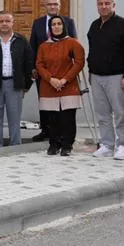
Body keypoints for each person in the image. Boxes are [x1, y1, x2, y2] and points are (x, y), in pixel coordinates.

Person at [88, 0, 124, 160]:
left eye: (107, 3)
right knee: (102, 113)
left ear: (113, 5)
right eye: (100, 3)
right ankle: (107, 144)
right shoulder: (95, 25)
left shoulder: (123, 25)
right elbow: (92, 50)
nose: (103, 6)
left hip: (117, 76)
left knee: (120, 112)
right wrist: (90, 71)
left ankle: (122, 145)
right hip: (96, 76)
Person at [29, 0, 78, 143]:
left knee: (64, 103)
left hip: (63, 71)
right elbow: (33, 46)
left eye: (55, 4)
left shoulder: (68, 22)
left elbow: (74, 44)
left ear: (59, 6)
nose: (52, 7)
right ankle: (46, 130)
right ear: (45, 6)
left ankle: (63, 133)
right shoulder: (37, 23)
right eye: (50, 4)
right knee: (45, 101)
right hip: (43, 71)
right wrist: (33, 67)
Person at [0, 11, 33, 147]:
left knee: (14, 117)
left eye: (7, 21)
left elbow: (28, 64)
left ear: (12, 23)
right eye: (1, 21)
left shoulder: (21, 40)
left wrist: (26, 85)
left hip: (14, 84)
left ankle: (15, 145)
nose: (4, 24)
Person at [35, 15, 86, 156]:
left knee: (67, 118)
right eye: (53, 24)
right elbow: (39, 64)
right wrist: (51, 79)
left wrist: (64, 80)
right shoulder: (44, 46)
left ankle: (67, 145)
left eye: (59, 24)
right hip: (49, 86)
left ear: (64, 26)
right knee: (52, 118)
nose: (56, 26)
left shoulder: (73, 43)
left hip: (68, 86)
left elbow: (79, 62)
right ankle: (53, 144)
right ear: (50, 27)